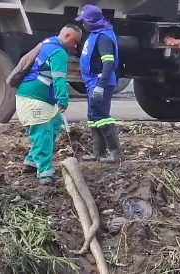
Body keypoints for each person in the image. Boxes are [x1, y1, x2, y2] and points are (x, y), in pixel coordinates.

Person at [15, 24, 82, 184]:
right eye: (75, 41)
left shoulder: (47, 43)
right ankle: (45, 172)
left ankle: (31, 161)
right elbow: (59, 79)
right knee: (43, 133)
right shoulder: (59, 53)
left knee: (55, 122)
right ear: (66, 37)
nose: (75, 46)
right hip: (34, 100)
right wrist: (63, 99)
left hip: (34, 98)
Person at [75, 5, 122, 163]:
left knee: (101, 115)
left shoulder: (104, 37)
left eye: (85, 21)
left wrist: (101, 85)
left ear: (93, 21)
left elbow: (108, 63)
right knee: (93, 115)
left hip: (100, 82)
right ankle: (98, 153)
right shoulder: (96, 34)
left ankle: (115, 153)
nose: (83, 24)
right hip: (92, 82)